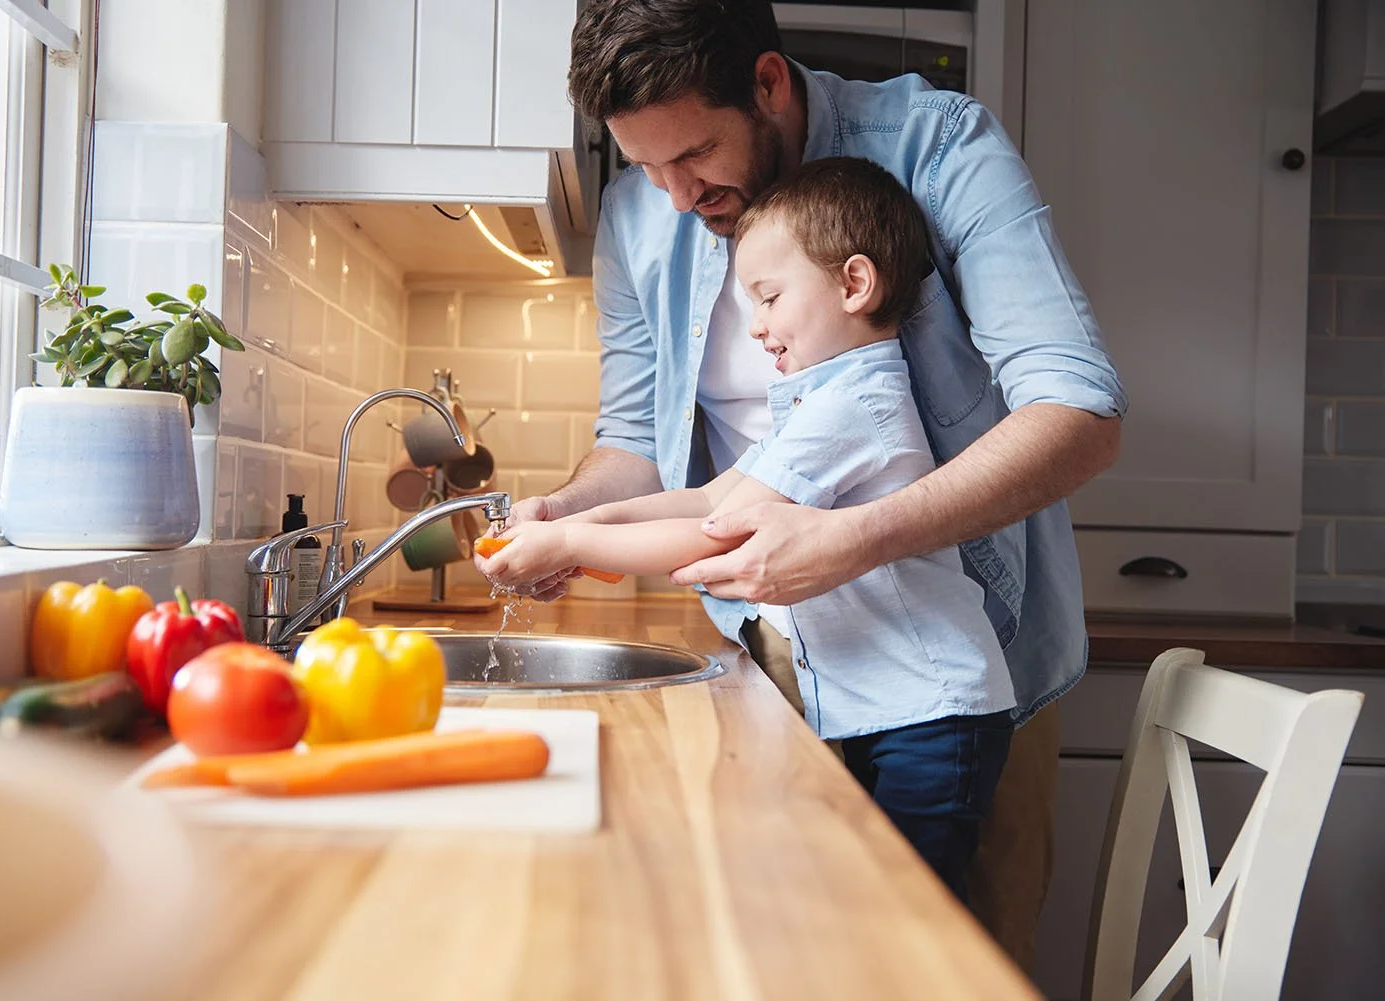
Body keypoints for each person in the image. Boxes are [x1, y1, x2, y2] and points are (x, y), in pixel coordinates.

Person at [475, 0, 1127, 969]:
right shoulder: (640, 212)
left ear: (769, 85)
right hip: (778, 661)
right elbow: (644, 446)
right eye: (647, 167)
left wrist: (853, 538)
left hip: (956, 669)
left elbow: (1078, 411)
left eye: (692, 156)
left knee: (948, 964)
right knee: (792, 956)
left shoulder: (940, 146)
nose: (674, 193)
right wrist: (566, 514)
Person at [484, 157, 1020, 901]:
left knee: (907, 916)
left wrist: (570, 546)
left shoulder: (856, 403)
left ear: (854, 284)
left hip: (932, 718)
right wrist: (579, 516)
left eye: (768, 297)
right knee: (868, 910)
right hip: (892, 709)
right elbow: (708, 494)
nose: (758, 325)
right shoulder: (816, 398)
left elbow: (717, 532)